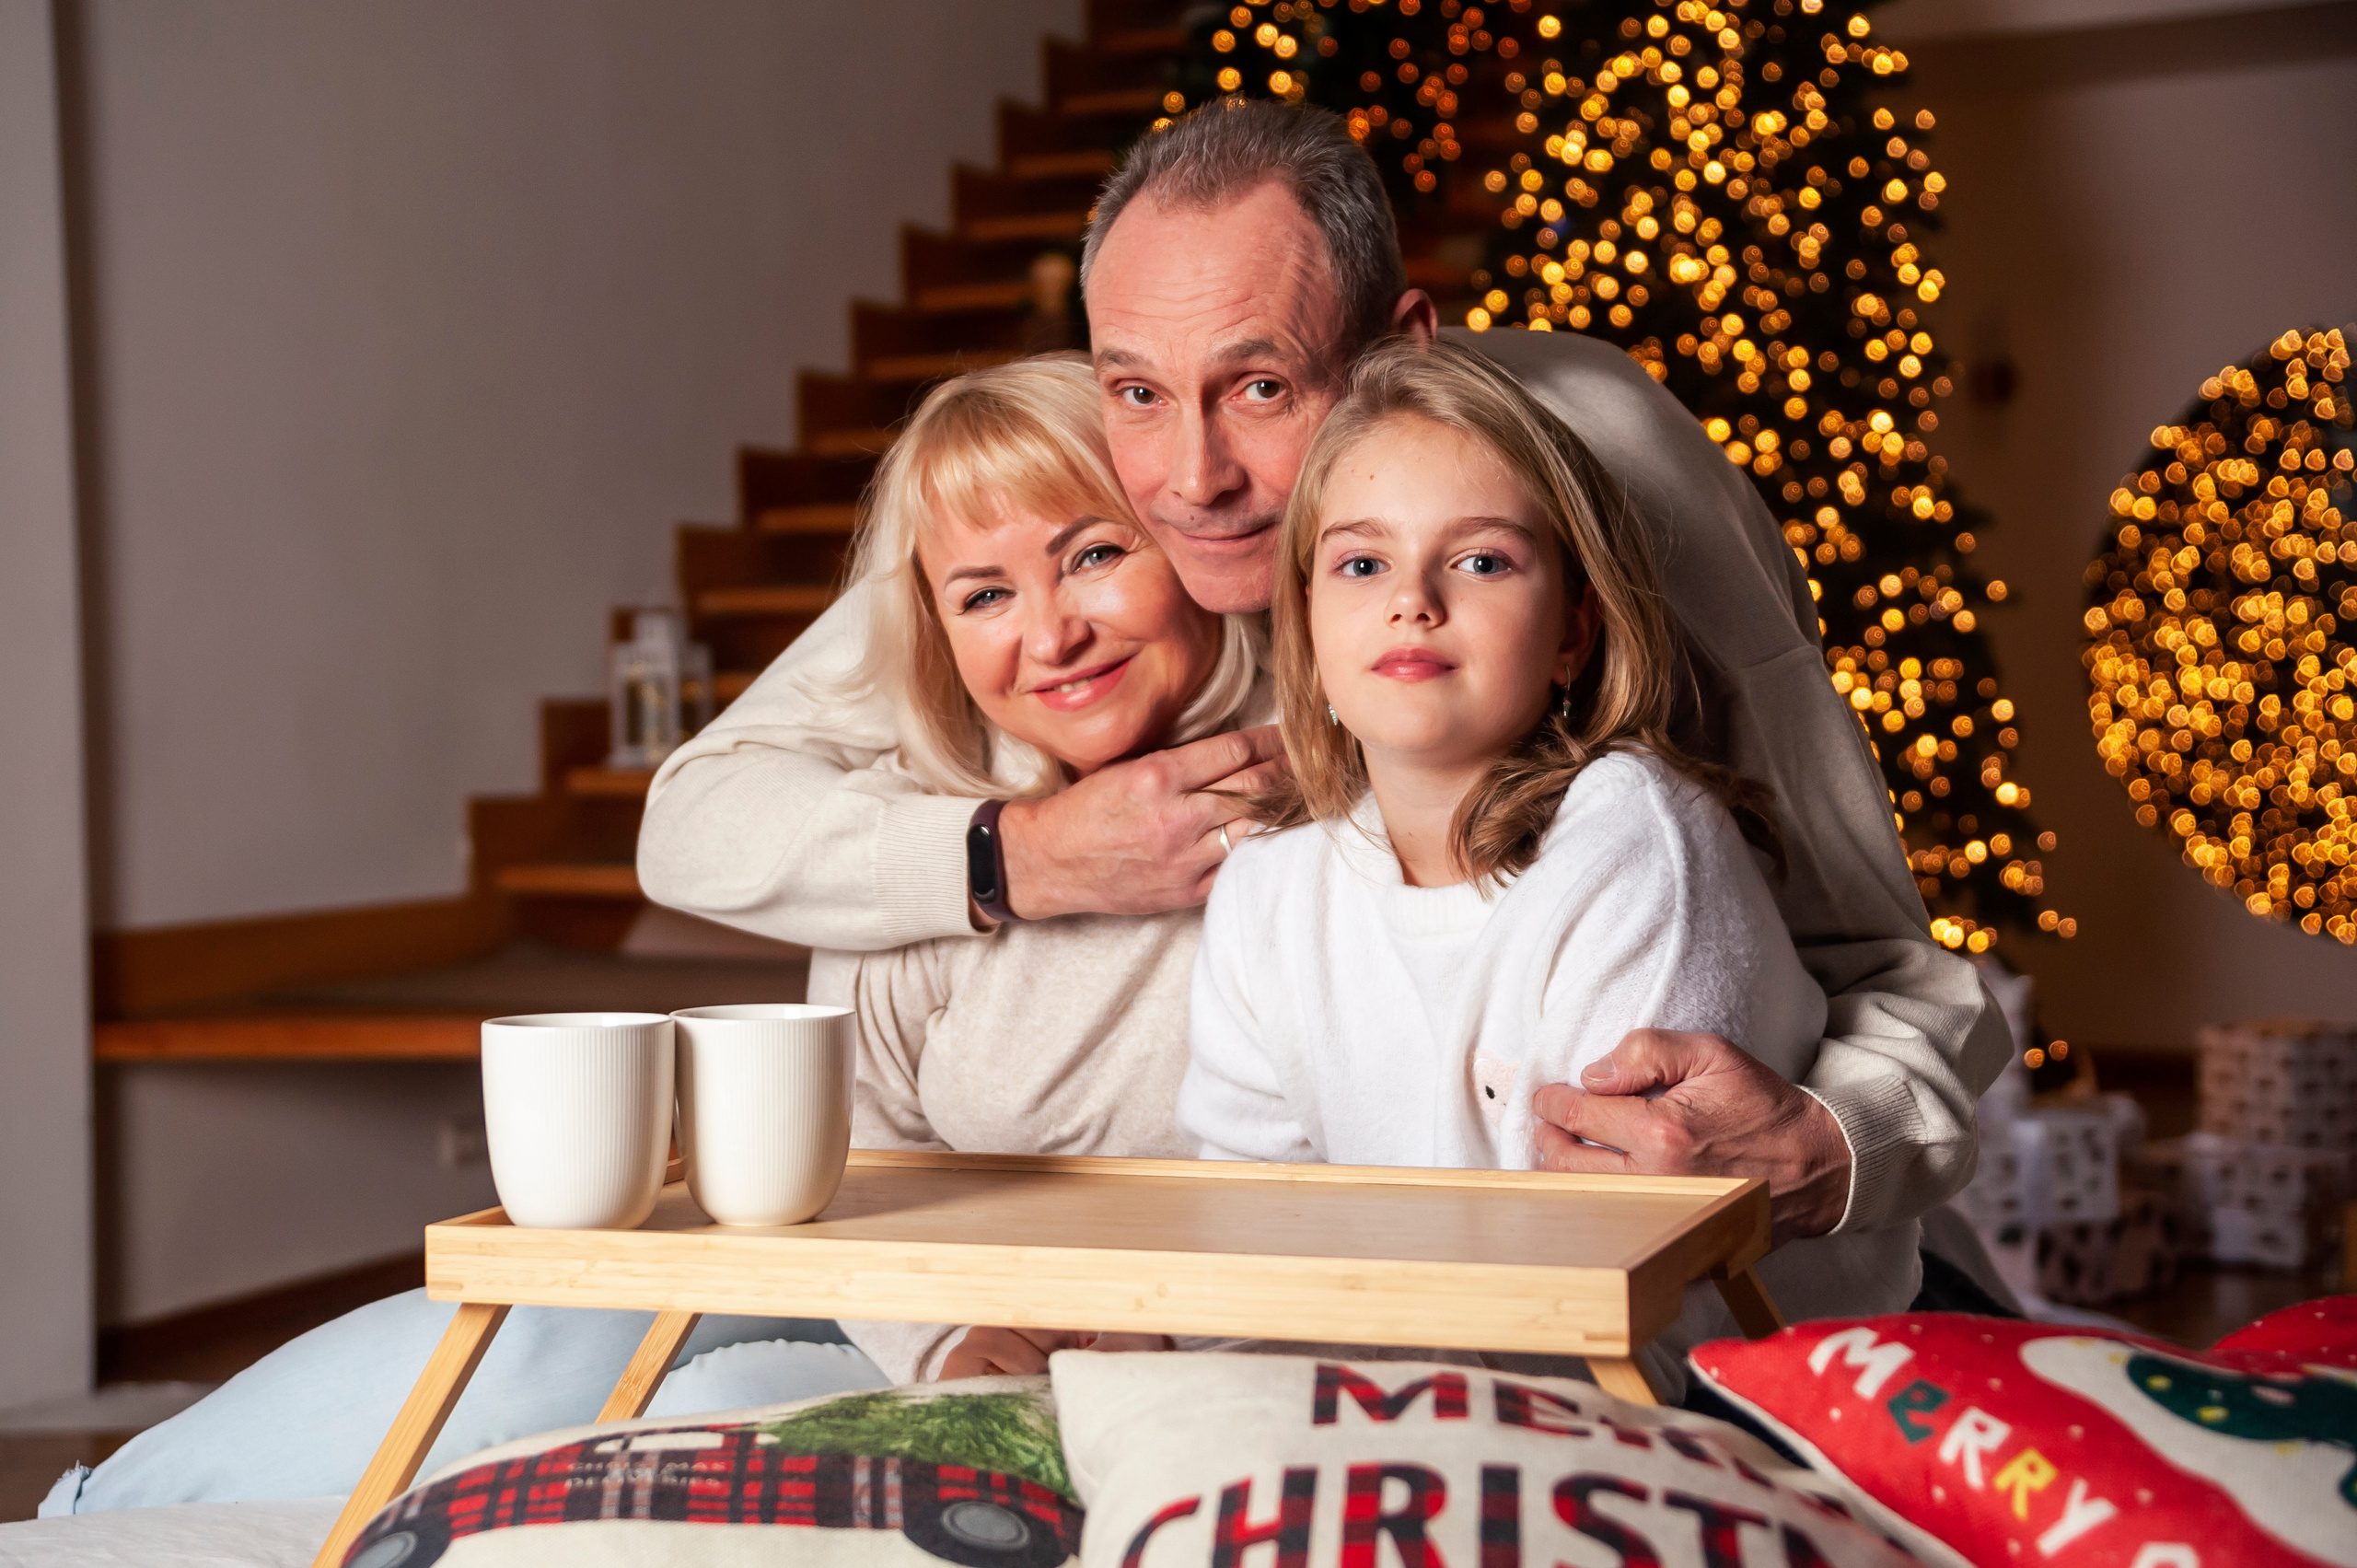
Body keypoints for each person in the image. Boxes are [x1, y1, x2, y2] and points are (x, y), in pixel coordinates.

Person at [639, 99, 2011, 1266]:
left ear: (1401, 347)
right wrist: (1030, 854)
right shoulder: (1096, 498)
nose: (1193, 479)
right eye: (1135, 389)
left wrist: (1830, 1145)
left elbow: (1892, 965)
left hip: (1763, 1281)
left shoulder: (1586, 476)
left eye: (1261, 388)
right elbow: (698, 813)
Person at [1183, 341, 1915, 1398]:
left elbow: (1614, 1301)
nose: (1411, 600)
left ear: (1573, 628)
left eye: (1481, 561)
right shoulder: (1267, 889)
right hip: (1405, 1410)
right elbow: (1241, 1243)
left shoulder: (1638, 845)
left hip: (1741, 1406)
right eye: (1360, 563)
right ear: (1302, 618)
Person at [795, 354, 1264, 1381]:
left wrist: (1191, 1328)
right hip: (976, 1355)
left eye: (1094, 554)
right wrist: (948, 1341)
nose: (1053, 636)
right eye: (985, 595)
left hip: (1265, 1355)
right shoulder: (919, 842)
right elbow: (857, 1153)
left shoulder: (1346, 796)